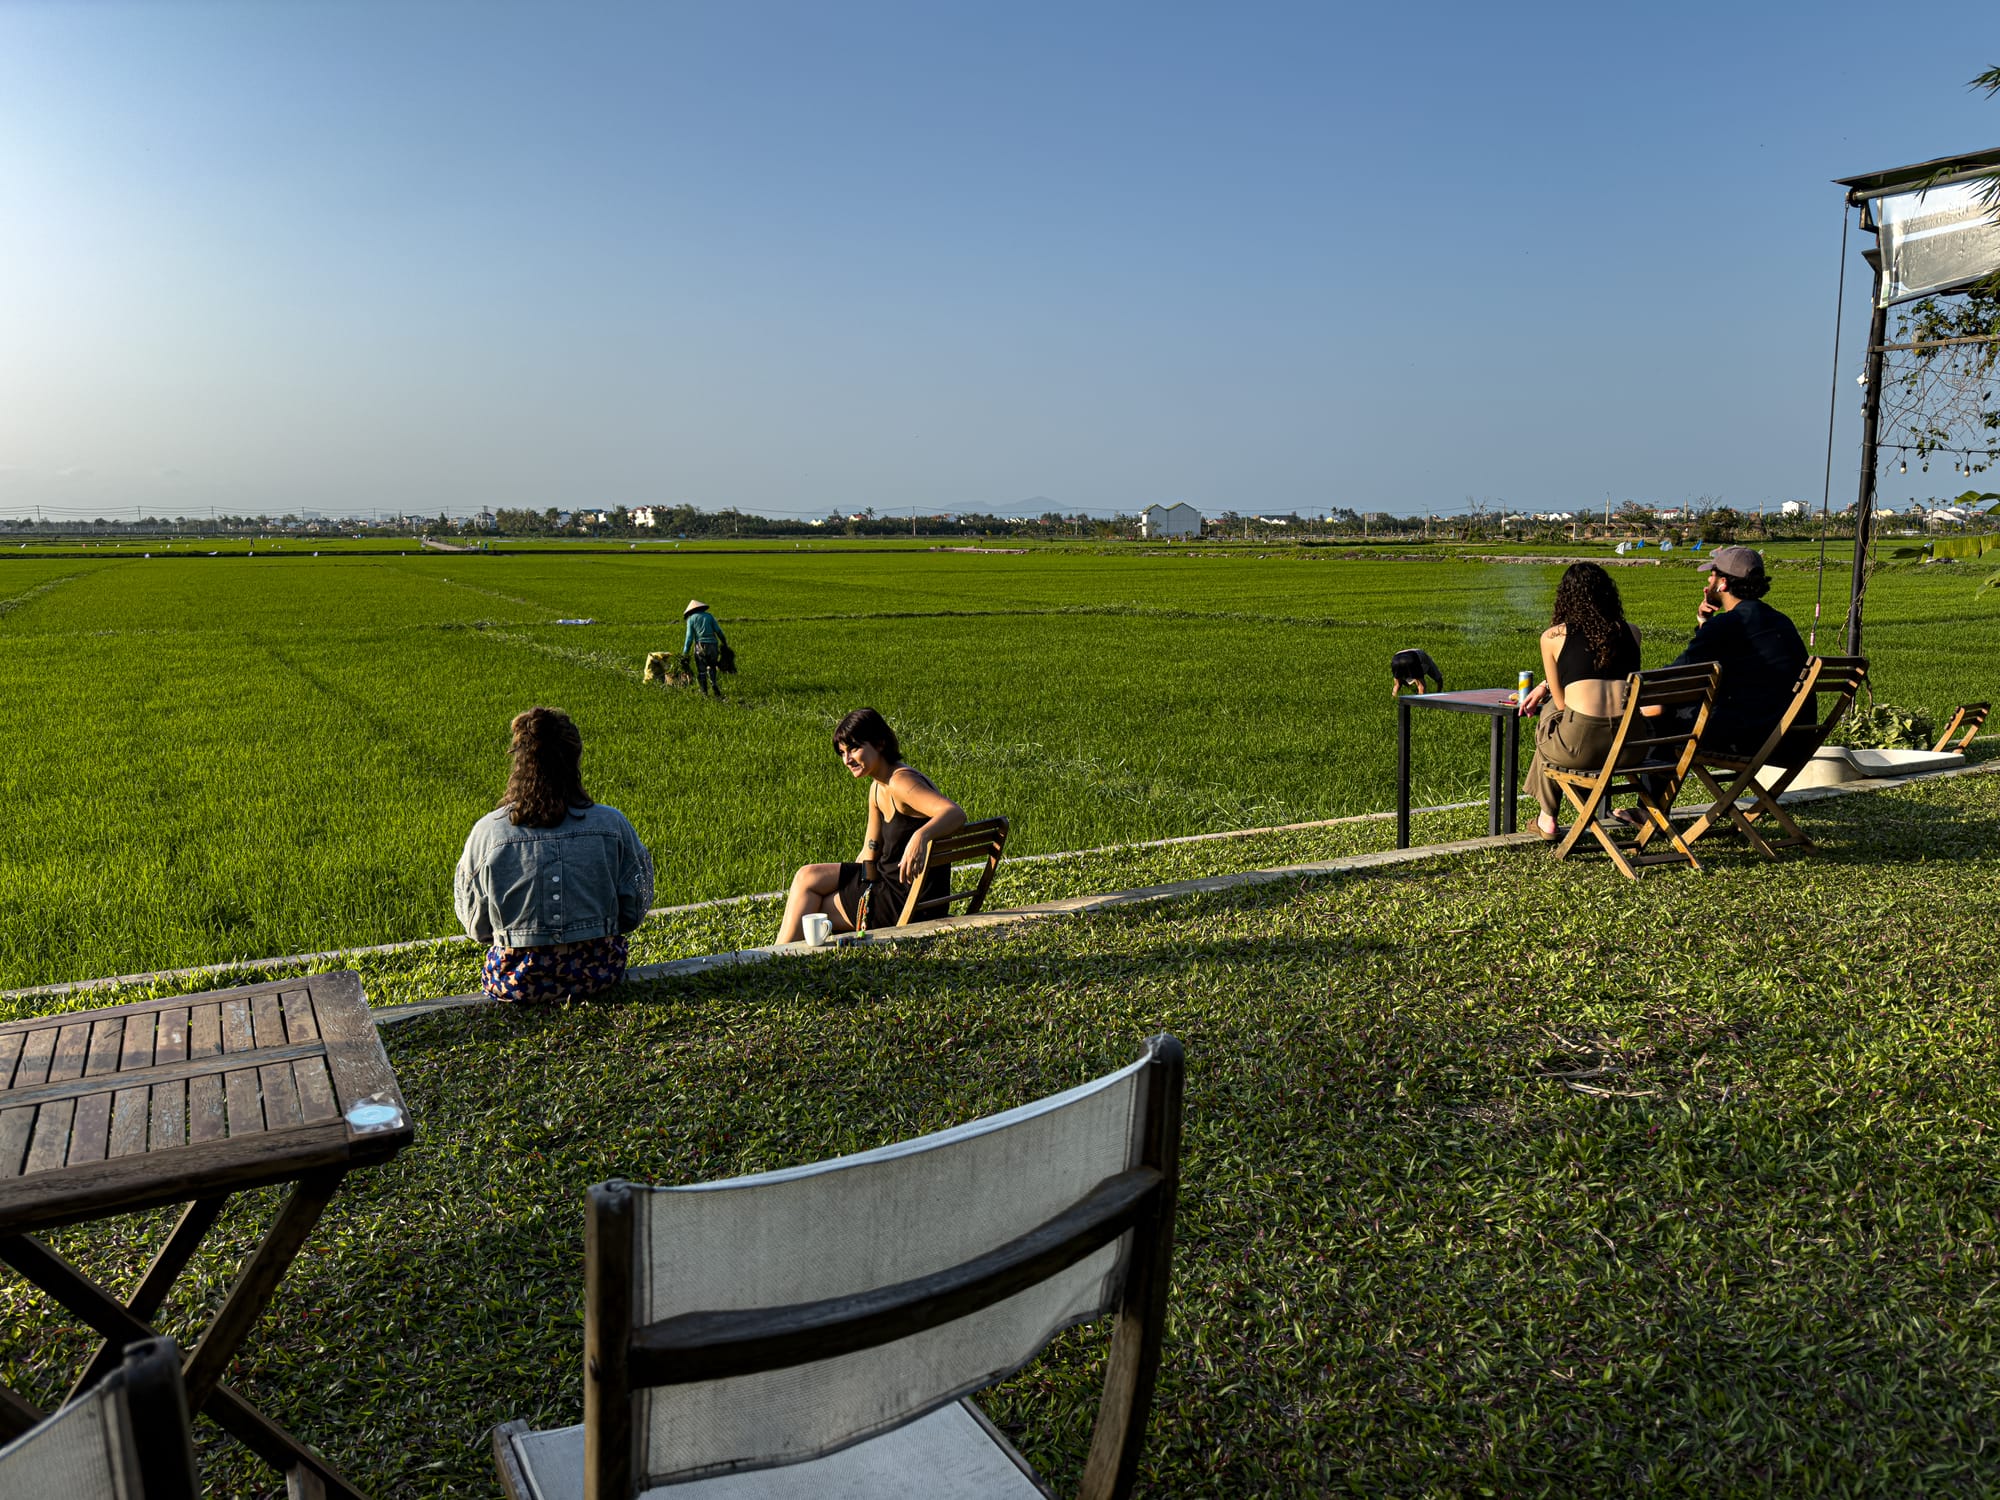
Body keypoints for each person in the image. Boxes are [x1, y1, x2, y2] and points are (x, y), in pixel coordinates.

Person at [454, 707, 654, 1003]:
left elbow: (476, 924)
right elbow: (634, 908)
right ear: (574, 759)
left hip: (517, 981)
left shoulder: (488, 832)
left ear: (519, 761)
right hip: (599, 974)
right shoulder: (612, 824)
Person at [776, 708, 966, 943]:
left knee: (812, 909)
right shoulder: (877, 787)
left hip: (905, 901)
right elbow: (869, 851)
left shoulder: (900, 782)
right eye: (842, 753)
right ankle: (779, 954)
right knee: (807, 878)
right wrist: (850, 887)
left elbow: (955, 813)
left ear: (879, 743)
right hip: (888, 887)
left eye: (854, 749)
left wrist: (921, 836)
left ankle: (775, 957)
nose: (847, 760)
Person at [1518, 563, 1642, 840]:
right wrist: (1545, 685)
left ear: (1566, 597)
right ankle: (1553, 815)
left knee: (1550, 716)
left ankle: (1547, 817)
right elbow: (1606, 672)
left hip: (1581, 749)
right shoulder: (1632, 632)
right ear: (1609, 594)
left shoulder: (1553, 637)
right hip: (1630, 749)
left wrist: (1545, 689)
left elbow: (1562, 704)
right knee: (1557, 725)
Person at [681, 599, 729, 697]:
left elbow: (689, 638)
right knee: (712, 667)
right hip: (713, 645)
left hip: (700, 646)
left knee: (701, 671)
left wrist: (684, 654)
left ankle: (704, 693)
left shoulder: (691, 619)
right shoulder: (709, 616)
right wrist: (724, 643)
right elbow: (718, 631)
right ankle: (714, 685)